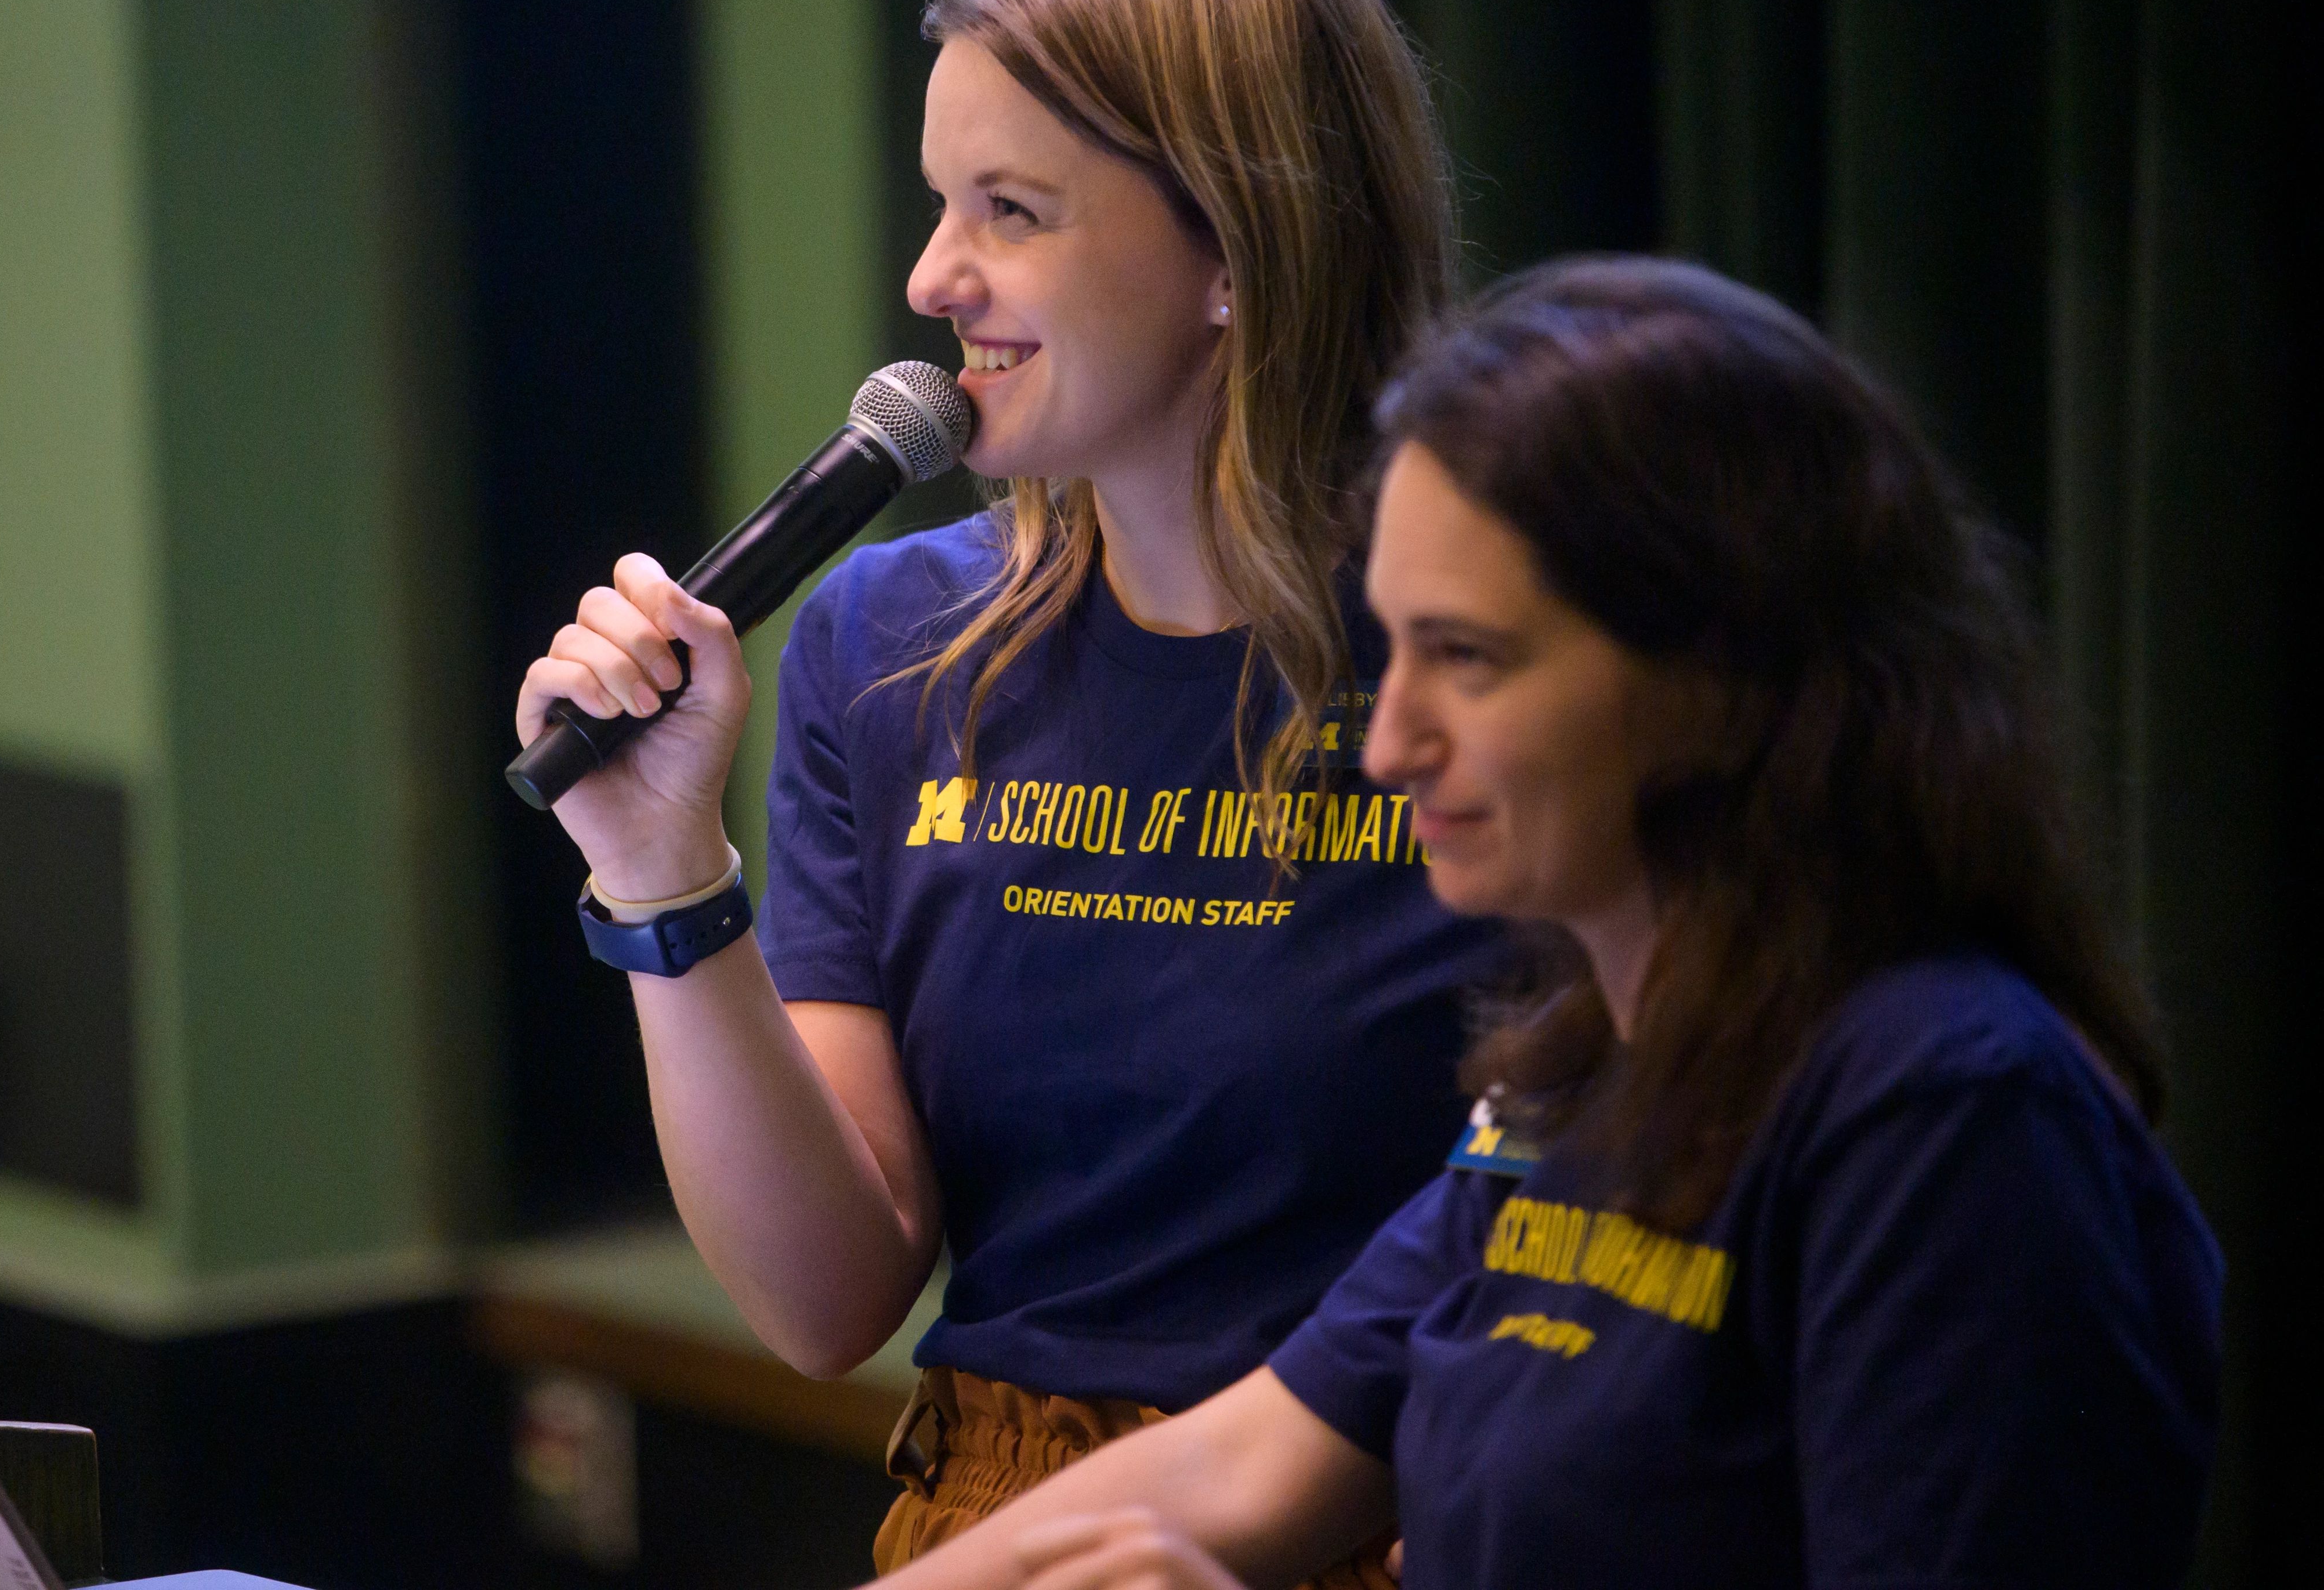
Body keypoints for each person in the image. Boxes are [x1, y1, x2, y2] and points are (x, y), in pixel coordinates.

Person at [864, 256, 2222, 1589]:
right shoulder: (1579, 1085)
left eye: (1468, 656)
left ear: (1721, 673)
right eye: (1391, 651)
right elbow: (1238, 1467)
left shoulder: (1948, 1111)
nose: (1389, 744)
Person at [512, 0, 1507, 1573]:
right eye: (937, 203)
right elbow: (827, 1297)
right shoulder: (889, 640)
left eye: (1010, 210)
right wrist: (667, 868)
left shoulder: (1488, 649)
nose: (931, 278)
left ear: (1236, 246)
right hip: (999, 1512)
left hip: (1414, 1505)